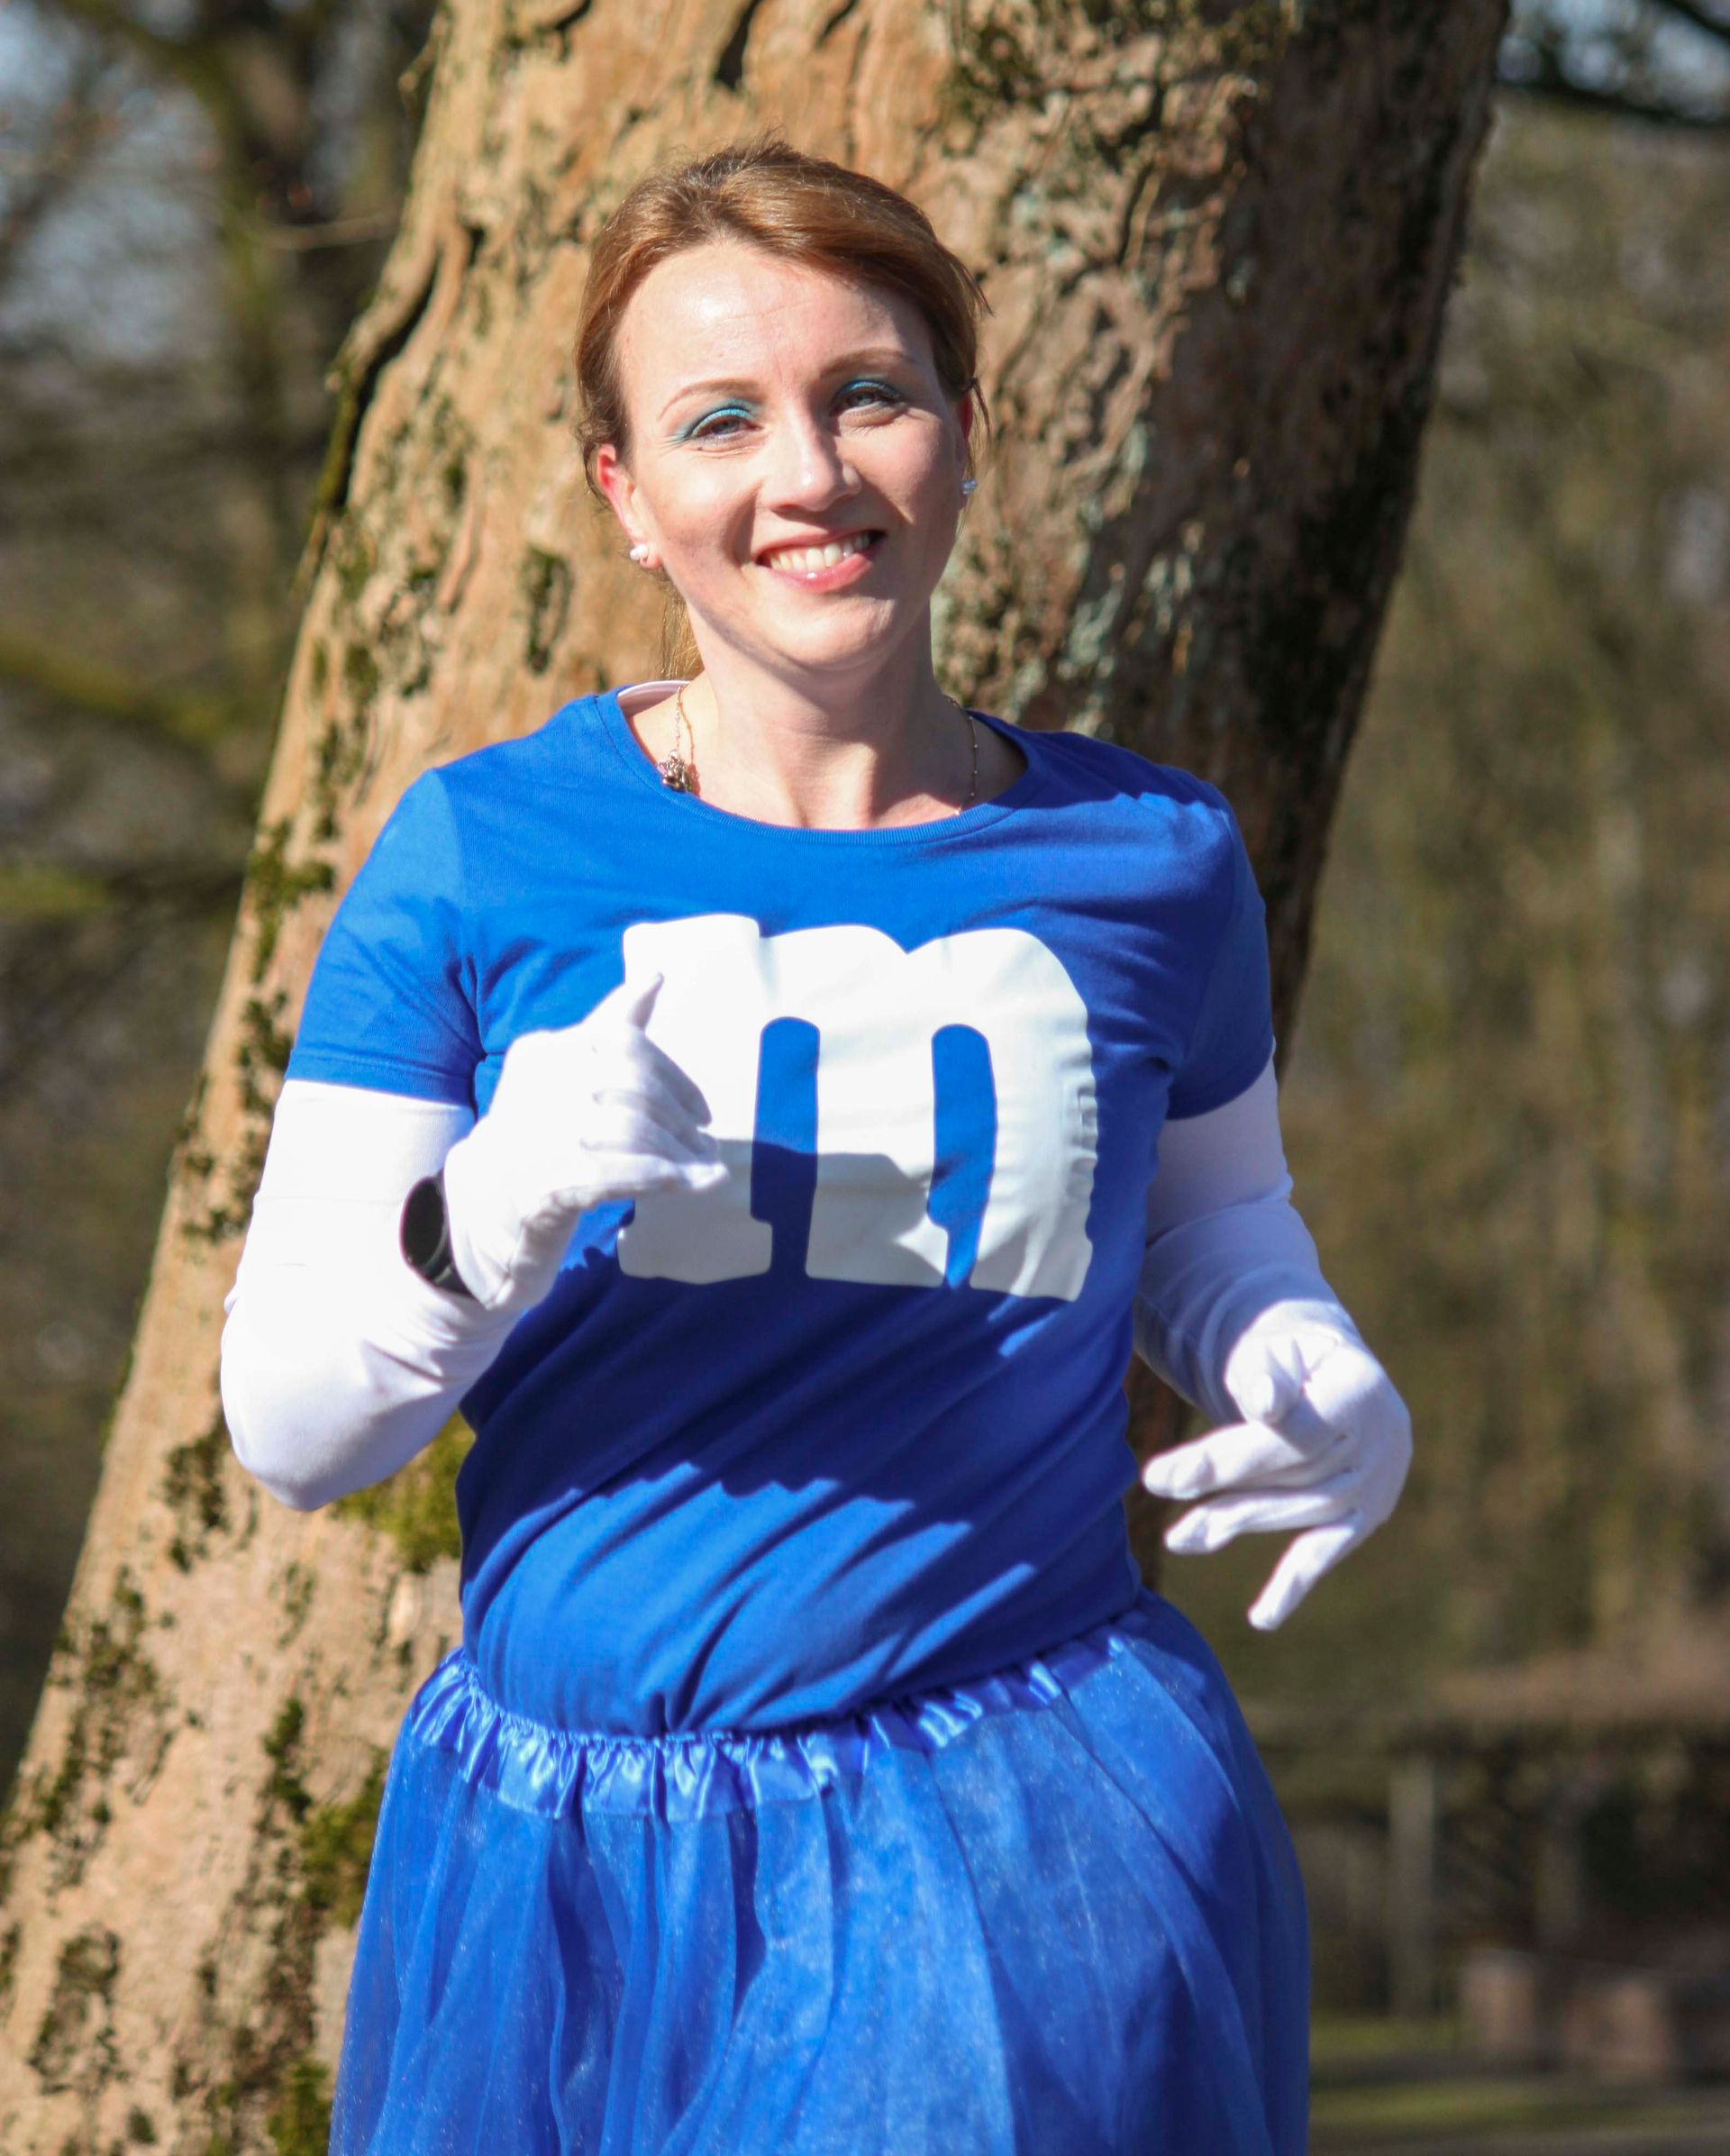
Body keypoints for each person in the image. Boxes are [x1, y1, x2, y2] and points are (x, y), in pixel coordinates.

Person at [221, 137, 1412, 2155]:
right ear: (624, 495)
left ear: (962, 427)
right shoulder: (477, 856)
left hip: (1012, 1834)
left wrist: (1303, 1363)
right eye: (719, 421)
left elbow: (1218, 1231)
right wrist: (492, 1205)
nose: (810, 475)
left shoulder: (1155, 862)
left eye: (869, 394)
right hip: (553, 1873)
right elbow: (291, 1425)